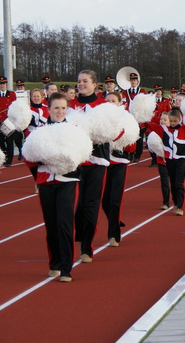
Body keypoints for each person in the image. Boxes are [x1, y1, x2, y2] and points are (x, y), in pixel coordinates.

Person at [32, 92, 79, 282]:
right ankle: (55, 263)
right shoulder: (40, 131)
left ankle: (67, 268)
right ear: (49, 109)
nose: (60, 111)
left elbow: (81, 154)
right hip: (46, 182)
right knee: (51, 226)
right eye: (56, 108)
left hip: (67, 182)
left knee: (65, 224)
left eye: (63, 108)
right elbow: (30, 158)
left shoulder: (74, 130)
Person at [68, 69, 109, 263]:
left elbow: (114, 131)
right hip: (75, 161)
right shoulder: (69, 106)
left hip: (97, 160)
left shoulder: (103, 105)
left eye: (85, 81)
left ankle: (86, 246)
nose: (81, 84)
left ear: (94, 85)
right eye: (79, 81)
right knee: (78, 204)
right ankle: (80, 234)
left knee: (91, 204)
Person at [144, 109, 185, 216]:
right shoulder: (163, 130)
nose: (173, 123)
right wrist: (142, 116)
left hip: (182, 160)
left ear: (180, 119)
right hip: (169, 160)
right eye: (171, 121)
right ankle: (175, 202)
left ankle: (180, 206)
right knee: (173, 182)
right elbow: (149, 124)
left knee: (180, 182)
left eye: (175, 121)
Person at [102, 91, 135, 247]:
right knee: (103, 201)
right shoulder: (98, 119)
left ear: (120, 103)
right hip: (102, 163)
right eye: (107, 100)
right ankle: (115, 221)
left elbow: (131, 147)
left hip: (119, 163)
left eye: (113, 100)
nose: (109, 103)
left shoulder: (126, 120)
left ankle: (113, 234)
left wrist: (119, 137)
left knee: (115, 200)